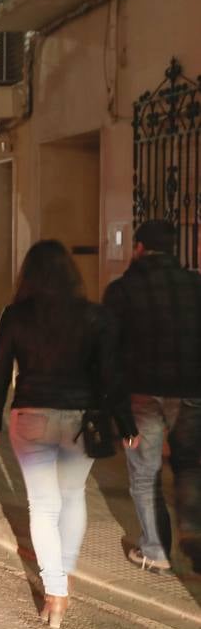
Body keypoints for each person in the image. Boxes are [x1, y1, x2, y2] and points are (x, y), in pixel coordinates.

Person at [0, 240, 139, 629]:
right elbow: (111, 375)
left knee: (43, 506)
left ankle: (55, 592)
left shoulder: (16, 315)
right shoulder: (95, 317)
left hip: (31, 416)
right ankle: (64, 573)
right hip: (80, 421)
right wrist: (126, 421)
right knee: (72, 497)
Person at [102, 220, 201, 575]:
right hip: (192, 391)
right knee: (190, 466)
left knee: (145, 474)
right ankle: (193, 533)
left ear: (140, 247)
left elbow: (108, 352)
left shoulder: (122, 290)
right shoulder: (196, 285)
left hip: (142, 393)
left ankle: (156, 549)